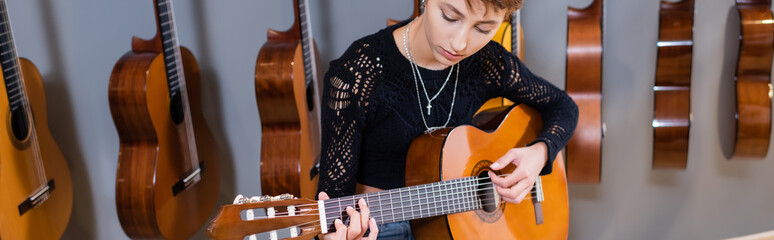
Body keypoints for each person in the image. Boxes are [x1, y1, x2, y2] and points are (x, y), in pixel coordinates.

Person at [317, 0, 579, 239]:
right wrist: (339, 235)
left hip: (460, 225)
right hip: (382, 226)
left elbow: (563, 107)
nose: (460, 43)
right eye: (450, 17)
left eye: (484, 29)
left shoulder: (486, 63)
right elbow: (332, 210)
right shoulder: (357, 76)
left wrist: (539, 154)